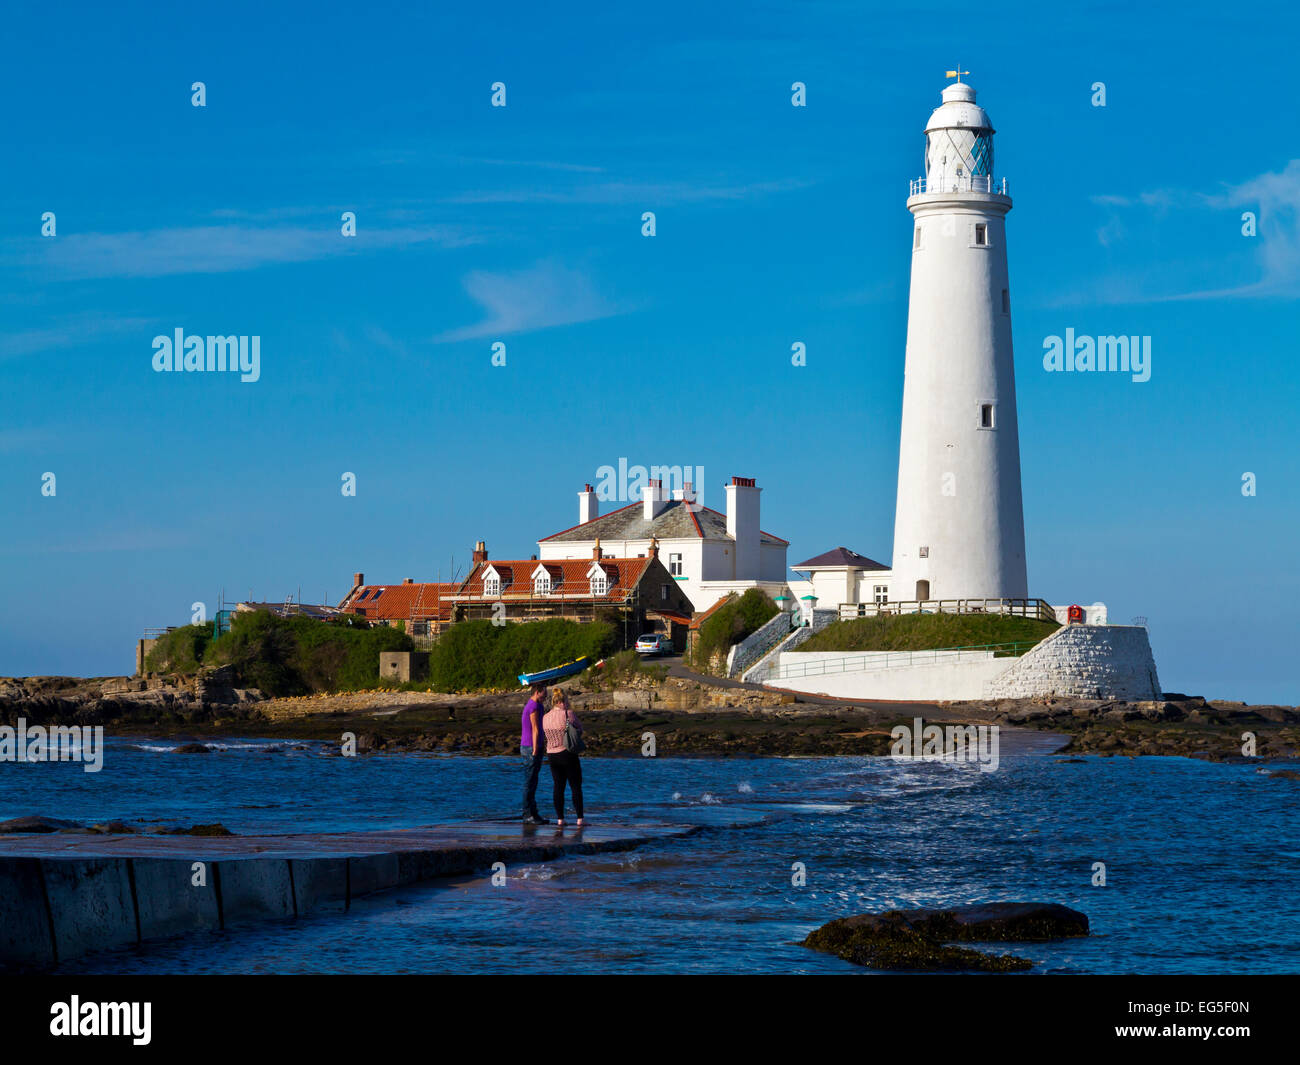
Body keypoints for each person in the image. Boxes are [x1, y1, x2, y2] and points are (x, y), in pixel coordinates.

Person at [543, 687, 585, 826]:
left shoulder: (545, 717)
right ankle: (580, 819)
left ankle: (560, 819)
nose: (567, 703)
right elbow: (580, 729)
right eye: (566, 700)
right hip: (567, 753)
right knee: (575, 786)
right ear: (562, 701)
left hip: (552, 755)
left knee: (558, 787)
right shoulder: (568, 714)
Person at [520, 684, 548, 824]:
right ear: (537, 693)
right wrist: (536, 749)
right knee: (529, 782)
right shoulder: (533, 706)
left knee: (533, 781)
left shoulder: (539, 706)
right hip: (530, 746)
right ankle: (527, 814)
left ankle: (534, 813)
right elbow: (535, 728)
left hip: (536, 745)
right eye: (544, 694)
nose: (546, 697)